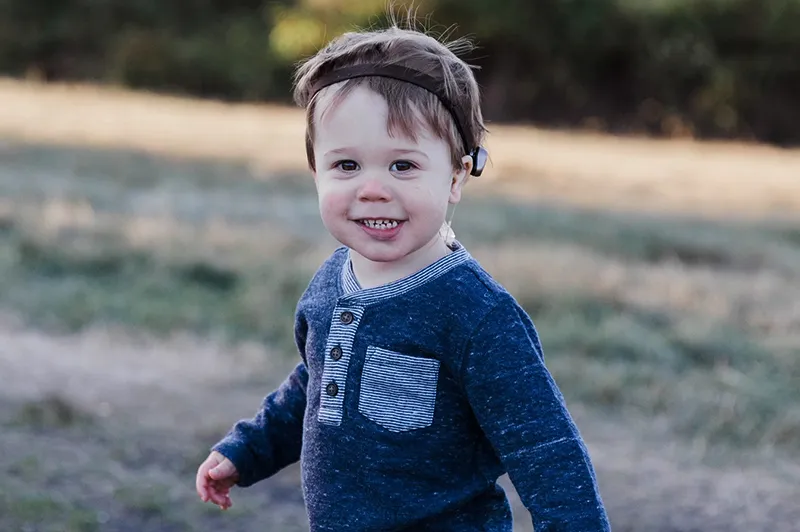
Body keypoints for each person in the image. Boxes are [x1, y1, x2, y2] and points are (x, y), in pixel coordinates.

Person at [195, 15, 611, 532]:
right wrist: (249, 448)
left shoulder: (476, 315)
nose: (373, 189)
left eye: (403, 166)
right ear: (316, 171)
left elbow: (544, 448)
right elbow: (315, 381)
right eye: (346, 166)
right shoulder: (331, 282)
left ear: (456, 175)